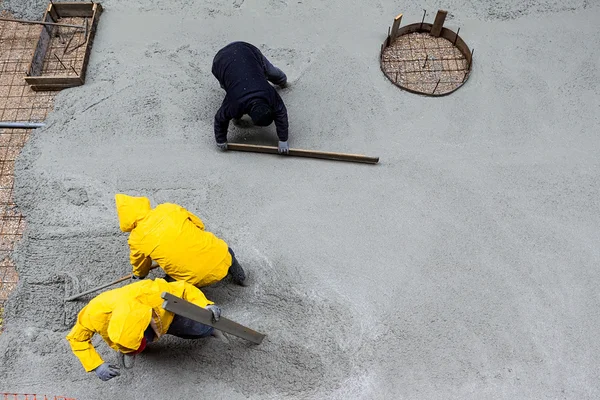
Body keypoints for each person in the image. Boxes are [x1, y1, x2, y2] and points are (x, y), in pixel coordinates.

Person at [66, 278, 224, 381]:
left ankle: (209, 330)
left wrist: (205, 304)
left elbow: (183, 289)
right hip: (126, 336)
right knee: (134, 347)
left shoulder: (151, 291)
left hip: (167, 317)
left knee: (196, 329)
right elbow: (76, 338)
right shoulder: (93, 314)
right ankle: (130, 348)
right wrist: (96, 365)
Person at [115, 194, 247, 287]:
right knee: (225, 251)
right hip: (220, 256)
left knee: (168, 283)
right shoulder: (168, 208)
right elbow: (199, 225)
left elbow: (141, 265)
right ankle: (240, 277)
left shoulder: (136, 239)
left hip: (196, 278)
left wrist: (139, 275)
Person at [211, 41, 290, 154]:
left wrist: (283, 139)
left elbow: (280, 112)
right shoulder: (235, 101)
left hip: (245, 54)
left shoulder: (269, 92)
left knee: (273, 73)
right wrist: (220, 140)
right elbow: (220, 118)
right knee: (231, 96)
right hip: (222, 61)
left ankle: (283, 81)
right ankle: (236, 117)